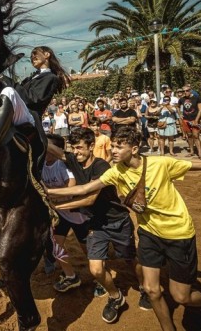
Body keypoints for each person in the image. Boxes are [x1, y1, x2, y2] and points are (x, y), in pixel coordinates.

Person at [47, 127, 201, 331]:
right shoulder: (115, 171)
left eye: (119, 147)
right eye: (113, 147)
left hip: (178, 233)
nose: (113, 151)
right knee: (152, 290)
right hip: (149, 233)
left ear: (135, 147)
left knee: (181, 295)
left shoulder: (161, 164)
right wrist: (44, 192)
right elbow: (82, 190)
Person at [50, 127, 150, 322]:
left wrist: (56, 205)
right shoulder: (72, 159)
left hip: (117, 221)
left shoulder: (101, 166)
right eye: (74, 148)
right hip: (96, 224)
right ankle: (115, 297)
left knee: (129, 258)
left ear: (91, 146)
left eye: (80, 148)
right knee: (95, 269)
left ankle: (145, 287)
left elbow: (89, 199)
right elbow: (51, 148)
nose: (76, 152)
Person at [0, 46, 69, 164]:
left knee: (9, 91)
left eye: (35, 53)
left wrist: (4, 79)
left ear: (47, 54)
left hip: (30, 116)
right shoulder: (33, 76)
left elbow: (33, 98)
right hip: (20, 111)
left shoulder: (51, 78)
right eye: (31, 55)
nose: (32, 56)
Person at [42, 134, 86, 293]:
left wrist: (49, 194)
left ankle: (100, 279)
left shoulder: (64, 166)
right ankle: (71, 276)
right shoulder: (41, 165)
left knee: (88, 251)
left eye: (46, 147)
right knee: (56, 248)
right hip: (61, 215)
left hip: (78, 215)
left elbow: (71, 189)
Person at [179, 85, 201, 160]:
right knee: (189, 136)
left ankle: (200, 153)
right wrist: (180, 114)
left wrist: (197, 120)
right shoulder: (182, 99)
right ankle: (191, 151)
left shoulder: (197, 98)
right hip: (186, 120)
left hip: (194, 119)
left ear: (190, 90)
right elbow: (177, 106)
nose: (185, 92)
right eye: (184, 91)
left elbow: (200, 110)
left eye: (187, 90)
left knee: (196, 136)